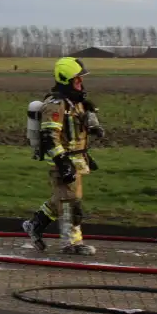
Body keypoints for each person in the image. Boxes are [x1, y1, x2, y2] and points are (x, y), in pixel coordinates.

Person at [21, 57, 103, 256]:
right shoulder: (55, 105)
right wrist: (62, 161)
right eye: (77, 80)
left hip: (77, 159)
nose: (81, 83)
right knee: (71, 201)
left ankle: (34, 225)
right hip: (63, 160)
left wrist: (94, 126)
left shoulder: (77, 103)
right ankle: (71, 243)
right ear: (66, 79)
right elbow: (50, 137)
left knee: (63, 199)